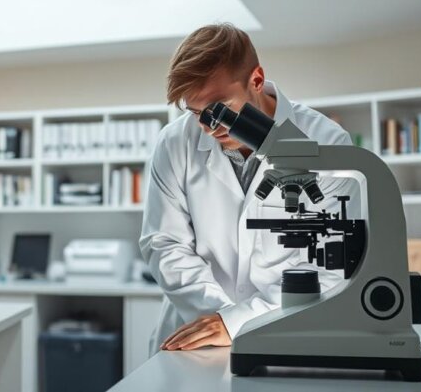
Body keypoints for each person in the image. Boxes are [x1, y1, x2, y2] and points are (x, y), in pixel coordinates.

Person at [139, 23, 359, 352]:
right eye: (197, 113)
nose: (209, 128)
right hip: (196, 335)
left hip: (283, 330)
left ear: (256, 80)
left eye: (219, 110)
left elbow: (330, 265)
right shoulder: (174, 142)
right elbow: (165, 244)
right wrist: (221, 317)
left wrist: (237, 322)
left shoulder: (325, 142)